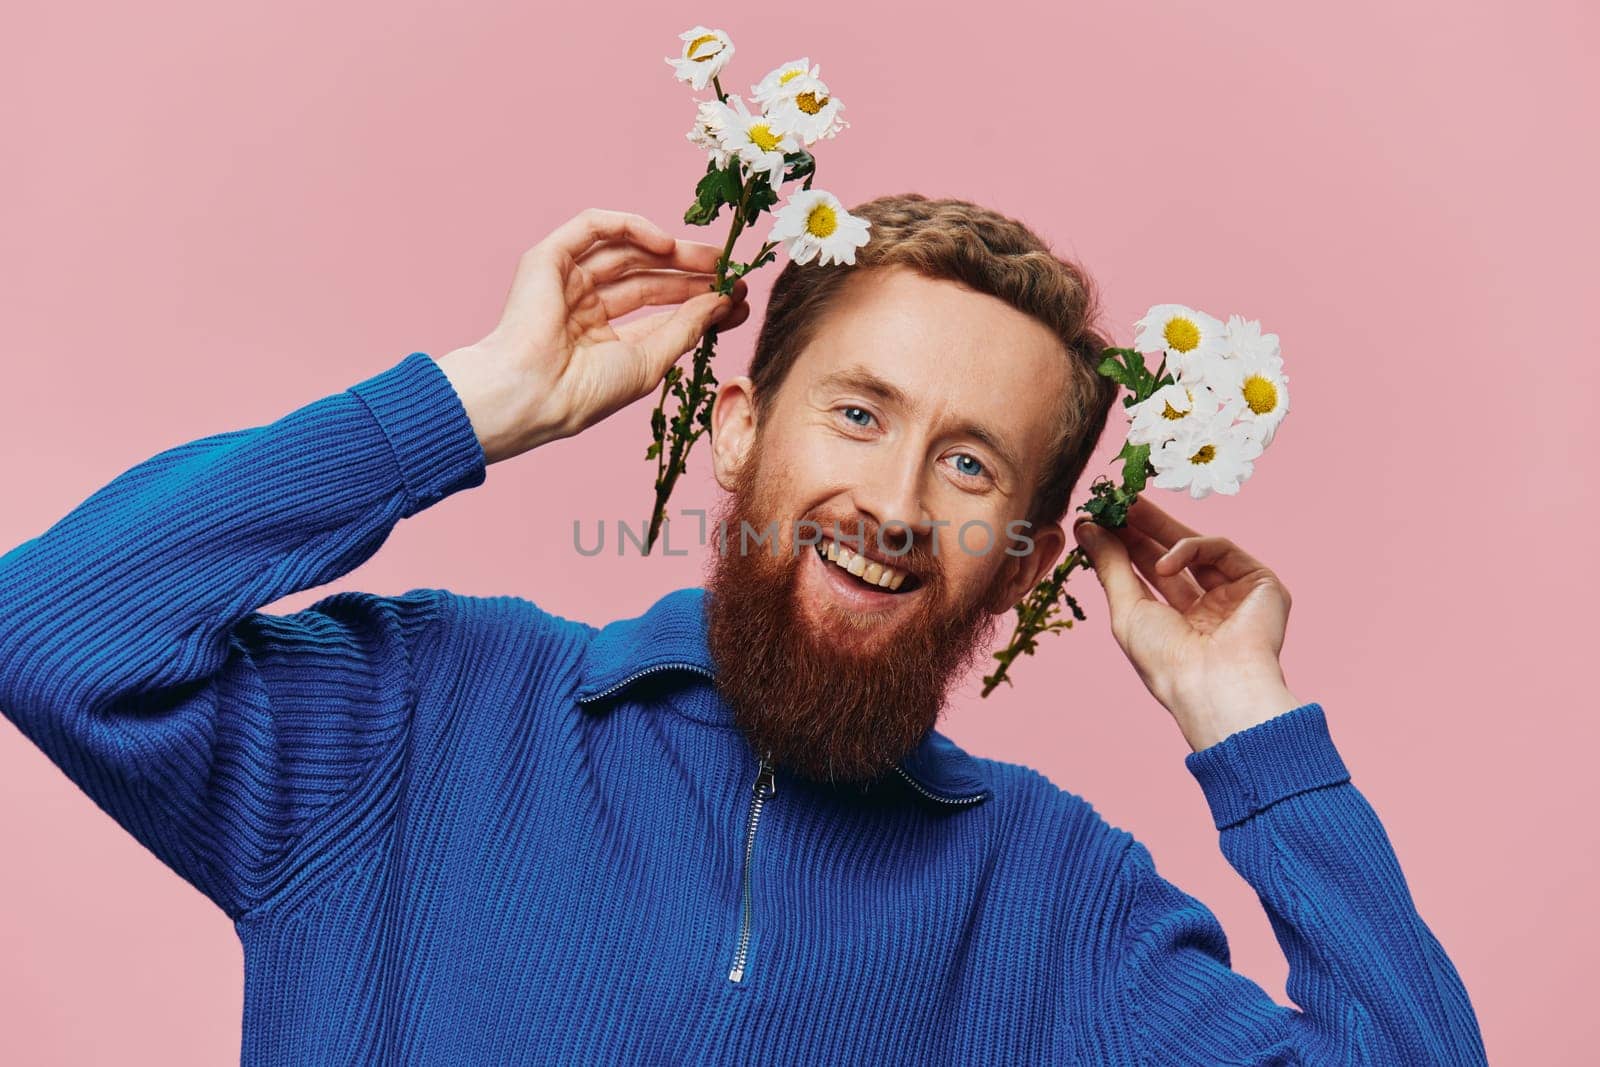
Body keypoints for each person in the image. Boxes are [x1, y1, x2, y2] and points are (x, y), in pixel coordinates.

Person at [0, 197, 1486, 1064]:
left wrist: (1253, 732)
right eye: (858, 413)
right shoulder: (429, 715)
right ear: (739, 431)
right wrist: (474, 402)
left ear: (1028, 561)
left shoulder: (1054, 899)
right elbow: (54, 628)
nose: (896, 502)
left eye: (970, 465)